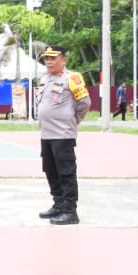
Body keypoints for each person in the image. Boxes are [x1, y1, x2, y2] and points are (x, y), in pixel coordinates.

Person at [35, 45, 90, 225]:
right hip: (47, 135)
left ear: (64, 60)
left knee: (66, 173)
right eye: (47, 58)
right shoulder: (45, 79)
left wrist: (72, 121)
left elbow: (84, 103)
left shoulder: (72, 78)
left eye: (53, 58)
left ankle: (70, 211)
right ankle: (58, 205)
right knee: (51, 171)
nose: (49, 61)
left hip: (63, 134)